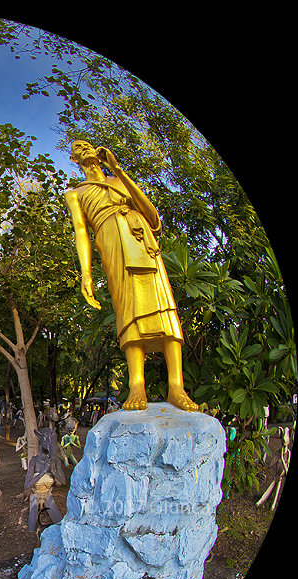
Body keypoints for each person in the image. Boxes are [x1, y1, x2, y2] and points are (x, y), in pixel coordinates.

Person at [64, 140, 197, 412]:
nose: (86, 148)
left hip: (142, 240)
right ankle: (137, 383)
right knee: (129, 307)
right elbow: (81, 232)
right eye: (79, 147)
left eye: (88, 144)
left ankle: (176, 386)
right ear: (73, 158)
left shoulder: (119, 179)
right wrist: (86, 273)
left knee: (164, 307)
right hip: (111, 241)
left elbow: (152, 215)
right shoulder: (75, 193)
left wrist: (120, 171)